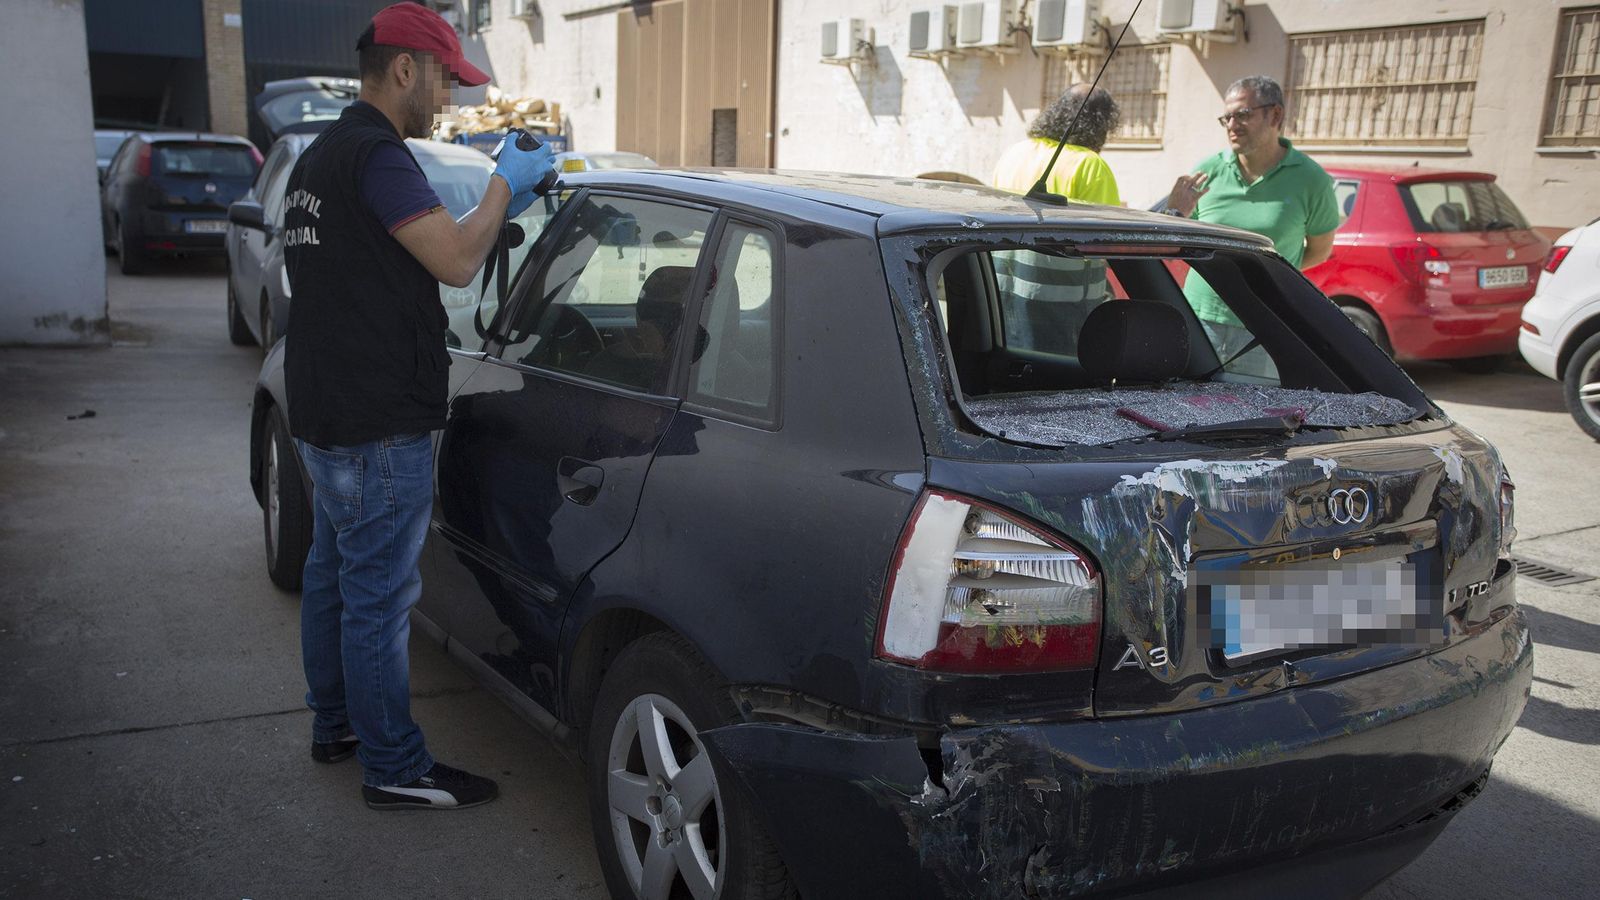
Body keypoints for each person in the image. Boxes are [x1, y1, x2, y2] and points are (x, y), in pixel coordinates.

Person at [280, 2, 556, 811]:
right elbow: (459, 262)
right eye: (444, 78)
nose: (449, 97)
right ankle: (395, 767)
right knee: (378, 598)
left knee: (333, 573)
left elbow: (372, 270)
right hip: (377, 422)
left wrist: (497, 203)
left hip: (324, 411)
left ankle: (335, 725)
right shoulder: (379, 153)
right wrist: (507, 178)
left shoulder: (321, 158)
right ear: (405, 68)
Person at [1162, 75, 1341, 375]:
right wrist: (1173, 211)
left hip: (1266, 326)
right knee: (1190, 413)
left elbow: (1319, 252)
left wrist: (1267, 278)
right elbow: (1172, 245)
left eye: (1243, 114)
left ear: (1275, 115)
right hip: (1200, 318)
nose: (1232, 125)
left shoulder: (1312, 180)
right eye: (1227, 117)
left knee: (1254, 415)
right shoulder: (1207, 172)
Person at [990, 84, 1123, 350]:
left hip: (1002, 293)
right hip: (1063, 307)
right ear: (1102, 124)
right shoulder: (1090, 166)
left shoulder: (1014, 153)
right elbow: (1111, 241)